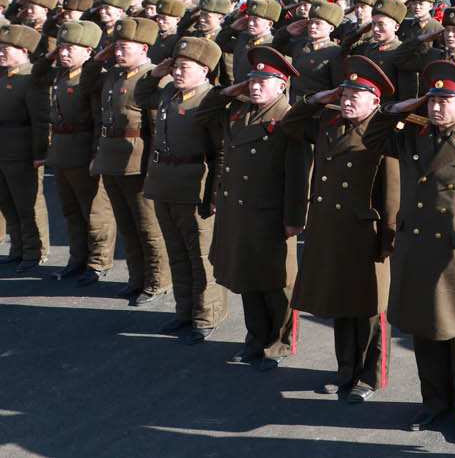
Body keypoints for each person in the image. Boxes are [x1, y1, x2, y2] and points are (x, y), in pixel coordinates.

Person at [364, 60, 455, 445]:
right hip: (415, 248)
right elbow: (372, 136)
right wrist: (398, 107)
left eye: (446, 101)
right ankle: (434, 401)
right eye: (432, 100)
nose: (436, 108)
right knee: (423, 330)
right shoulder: (413, 135)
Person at [278, 56, 399, 403]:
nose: (346, 101)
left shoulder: (382, 131)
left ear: (375, 100)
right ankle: (345, 369)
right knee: (340, 302)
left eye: (354, 96)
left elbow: (392, 188)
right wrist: (315, 99)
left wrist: (388, 236)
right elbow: (290, 125)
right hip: (330, 228)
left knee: (372, 310)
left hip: (366, 232)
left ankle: (371, 377)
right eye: (344, 95)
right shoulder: (329, 121)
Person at [196, 46, 310, 371]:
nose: (255, 86)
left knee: (276, 283)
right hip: (239, 212)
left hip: (270, 213)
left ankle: (279, 343)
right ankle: (255, 339)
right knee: (246, 277)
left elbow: (299, 173)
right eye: (252, 80)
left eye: (264, 81)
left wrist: (294, 219)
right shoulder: (238, 111)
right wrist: (229, 91)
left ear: (282, 86)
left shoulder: (288, 118)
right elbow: (204, 116)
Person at [137, 36, 226, 345]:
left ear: (204, 70)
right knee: (176, 252)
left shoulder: (210, 99)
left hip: (194, 187)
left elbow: (222, 152)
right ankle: (184, 312)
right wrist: (155, 71)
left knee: (201, 257)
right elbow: (141, 94)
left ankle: (206, 316)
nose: (177, 72)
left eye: (184, 67)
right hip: (164, 182)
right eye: (175, 66)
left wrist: (214, 195)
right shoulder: (168, 94)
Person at [92, 17, 171, 305]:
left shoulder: (153, 77)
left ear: (143, 48)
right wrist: (98, 58)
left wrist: (154, 169)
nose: (118, 52)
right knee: (126, 224)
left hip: (138, 162)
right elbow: (95, 100)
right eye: (116, 47)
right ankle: (136, 278)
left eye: (124, 47)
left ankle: (157, 281)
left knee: (148, 227)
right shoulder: (112, 74)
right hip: (111, 158)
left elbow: (158, 129)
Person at [37, 19, 117, 285]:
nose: (64, 53)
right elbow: (38, 75)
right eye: (61, 48)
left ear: (88, 51)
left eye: (72, 48)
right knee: (70, 211)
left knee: (93, 212)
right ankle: (77, 259)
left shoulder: (91, 79)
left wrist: (96, 155)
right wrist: (50, 54)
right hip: (61, 152)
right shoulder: (60, 74)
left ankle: (98, 263)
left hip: (83, 152)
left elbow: (99, 121)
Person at [0, 24, 50, 270]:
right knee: (7, 204)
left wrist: (39, 153)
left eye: (5, 49)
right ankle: (18, 248)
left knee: (27, 204)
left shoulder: (31, 78)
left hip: (21, 152)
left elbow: (40, 120)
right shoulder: (3, 76)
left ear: (23, 51)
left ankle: (34, 252)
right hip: (3, 151)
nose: (0, 53)